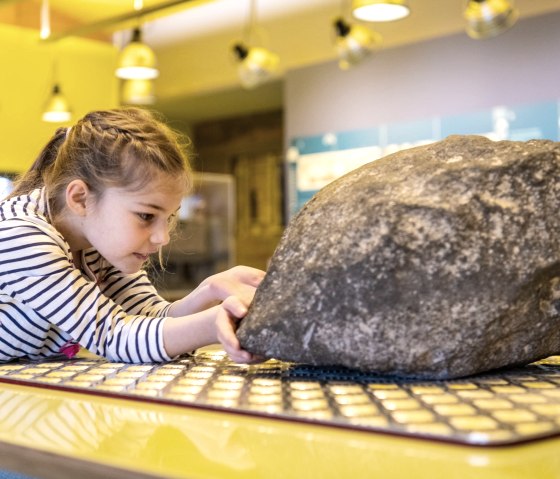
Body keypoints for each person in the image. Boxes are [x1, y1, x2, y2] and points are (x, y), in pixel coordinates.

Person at [0, 107, 265, 364]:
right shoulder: (21, 236)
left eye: (169, 217)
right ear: (80, 198)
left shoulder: (96, 242)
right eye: (146, 216)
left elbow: (149, 317)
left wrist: (209, 290)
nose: (163, 237)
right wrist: (216, 322)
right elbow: (115, 336)